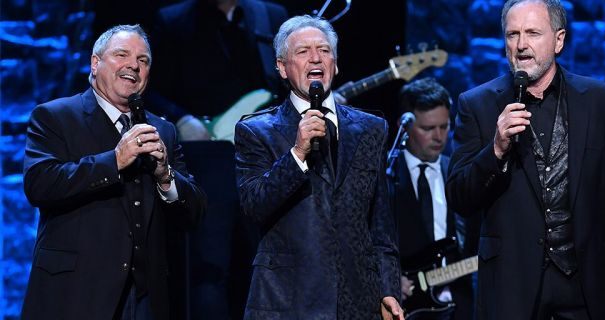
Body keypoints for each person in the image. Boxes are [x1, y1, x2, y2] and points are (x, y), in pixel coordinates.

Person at [446, 0, 605, 319]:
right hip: (511, 288)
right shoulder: (476, 105)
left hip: (587, 285)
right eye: (512, 34)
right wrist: (495, 149)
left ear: (558, 40)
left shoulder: (603, 103)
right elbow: (459, 198)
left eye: (533, 33)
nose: (521, 45)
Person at [21, 25, 207, 320]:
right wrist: (115, 160)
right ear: (95, 63)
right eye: (122, 54)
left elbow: (194, 212)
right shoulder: (55, 116)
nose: (133, 65)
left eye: (143, 60)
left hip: (146, 300)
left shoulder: (163, 131)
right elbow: (40, 184)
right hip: (75, 294)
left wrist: (164, 176)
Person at [234, 15, 404, 319]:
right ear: (282, 68)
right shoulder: (257, 131)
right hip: (288, 300)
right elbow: (254, 205)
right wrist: (297, 153)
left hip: (358, 302)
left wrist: (388, 288)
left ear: (335, 65)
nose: (316, 58)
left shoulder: (370, 129)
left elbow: (380, 226)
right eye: (303, 52)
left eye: (324, 50)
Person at [387, 78, 474, 320]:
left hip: (458, 303)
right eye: (427, 129)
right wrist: (388, 276)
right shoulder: (385, 174)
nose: (438, 137)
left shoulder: (458, 171)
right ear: (404, 127)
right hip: (407, 305)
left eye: (444, 127)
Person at [151, 0, 288, 141]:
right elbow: (150, 89)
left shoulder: (271, 15)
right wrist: (181, 119)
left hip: (267, 139)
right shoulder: (173, 20)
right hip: (205, 143)